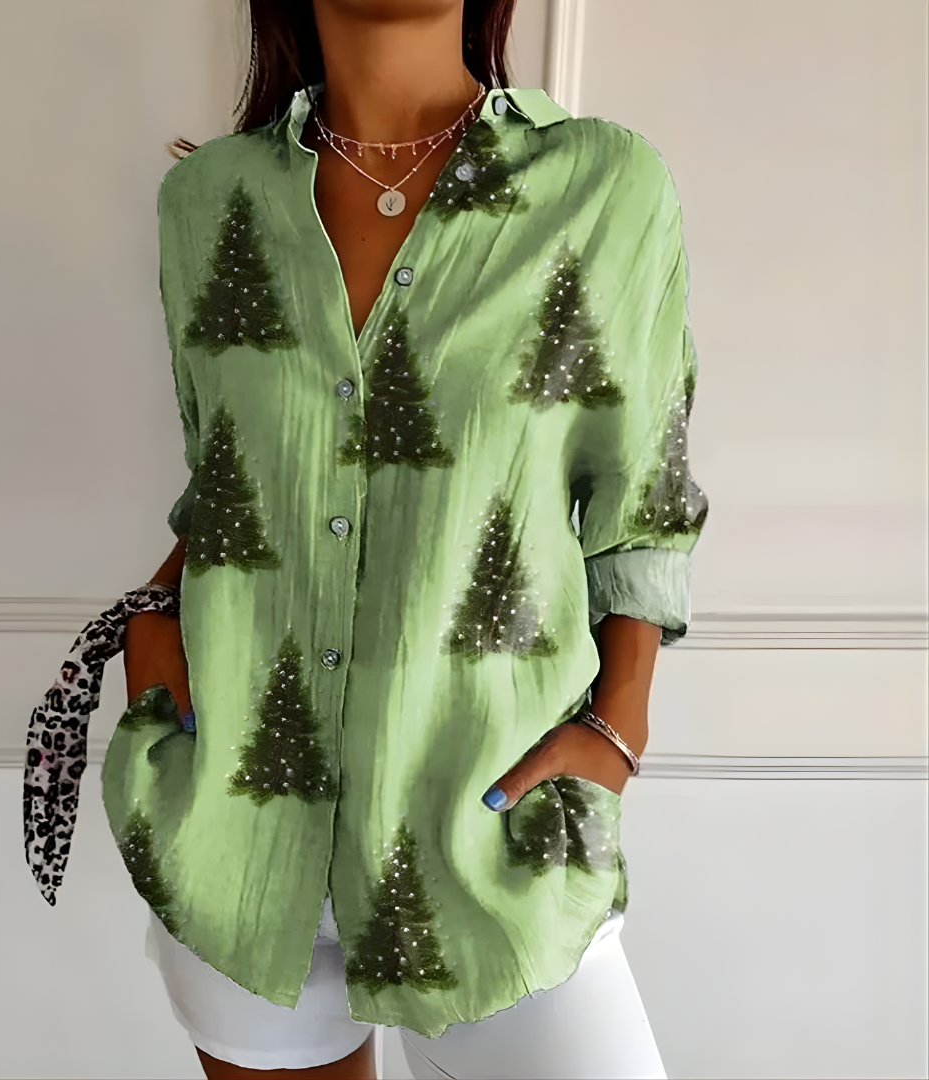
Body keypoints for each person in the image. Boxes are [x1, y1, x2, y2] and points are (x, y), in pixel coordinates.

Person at [114, 1, 707, 1076]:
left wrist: (620, 726)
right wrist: (152, 628)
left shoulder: (603, 187)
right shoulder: (206, 203)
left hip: (492, 839)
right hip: (239, 830)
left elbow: (643, 495)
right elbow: (230, 478)